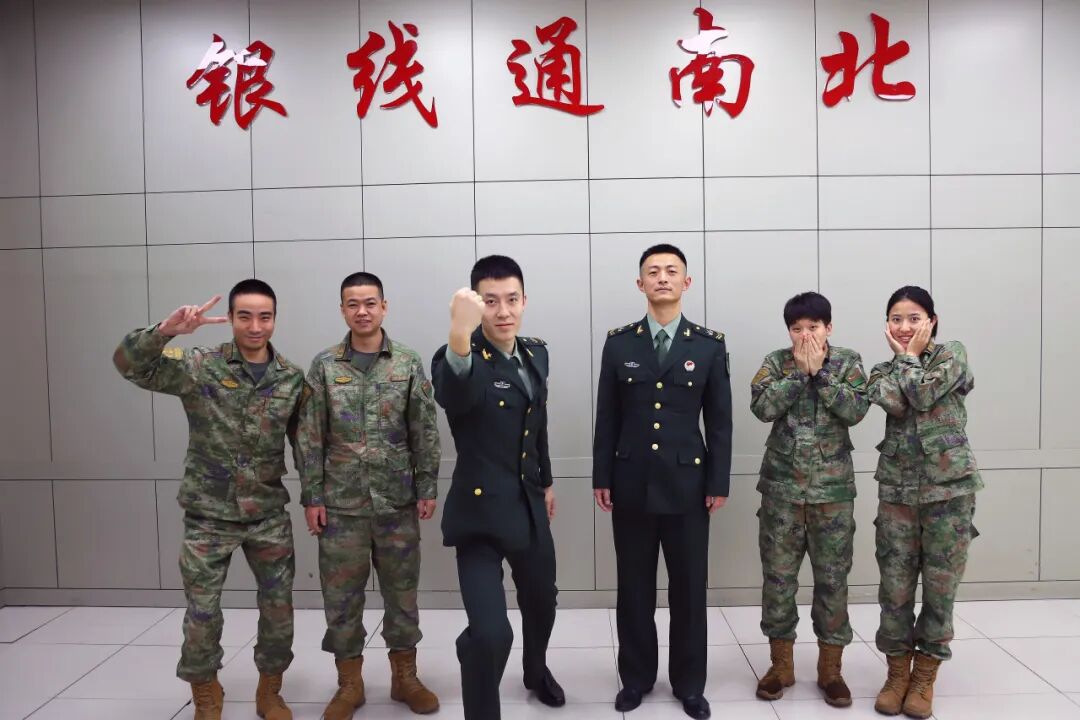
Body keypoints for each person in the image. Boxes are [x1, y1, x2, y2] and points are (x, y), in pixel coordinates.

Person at [113, 280, 304, 720]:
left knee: (278, 608)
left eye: (265, 317)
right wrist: (166, 332)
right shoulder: (199, 364)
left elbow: (306, 446)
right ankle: (205, 691)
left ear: (275, 319)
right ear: (231, 318)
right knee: (202, 612)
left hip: (266, 515)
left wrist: (315, 499)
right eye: (245, 316)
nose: (255, 326)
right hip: (208, 515)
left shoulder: (291, 378)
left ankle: (270, 689)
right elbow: (128, 364)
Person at [592, 244, 732, 720]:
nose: (663, 278)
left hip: (688, 486)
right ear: (641, 284)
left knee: (689, 591)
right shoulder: (620, 343)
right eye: (653, 272)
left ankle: (690, 685)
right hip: (630, 482)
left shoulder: (708, 345)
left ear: (686, 282)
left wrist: (718, 481)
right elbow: (607, 415)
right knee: (633, 588)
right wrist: (602, 475)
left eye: (672, 271)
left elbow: (720, 422)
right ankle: (636, 678)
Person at [297, 272, 441, 719]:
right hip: (341, 506)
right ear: (343, 310)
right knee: (342, 599)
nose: (362, 311)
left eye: (370, 303)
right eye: (353, 304)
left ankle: (405, 678)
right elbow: (309, 436)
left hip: (396, 502)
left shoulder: (407, 362)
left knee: (403, 594)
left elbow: (424, 428)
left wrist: (427, 486)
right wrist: (312, 497)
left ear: (384, 306)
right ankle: (349, 684)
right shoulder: (324, 366)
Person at [430, 255, 564, 720]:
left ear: (524, 300)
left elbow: (536, 424)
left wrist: (547, 482)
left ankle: (535, 671)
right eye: (490, 302)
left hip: (528, 506)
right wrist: (459, 331)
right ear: (475, 306)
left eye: (512, 299)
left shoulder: (535, 353)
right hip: (480, 516)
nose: (503, 311)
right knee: (490, 635)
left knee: (542, 602)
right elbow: (455, 394)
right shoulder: (459, 355)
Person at [868, 286, 982, 719]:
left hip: (948, 492)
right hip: (898, 493)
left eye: (914, 318)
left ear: (931, 321)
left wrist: (909, 361)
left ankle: (924, 678)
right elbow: (899, 403)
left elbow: (920, 396)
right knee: (894, 590)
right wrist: (907, 364)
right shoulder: (879, 371)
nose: (904, 327)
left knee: (940, 590)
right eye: (896, 319)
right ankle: (897, 674)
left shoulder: (953, 354)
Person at [749, 291, 869, 706]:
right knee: (778, 580)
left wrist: (821, 375)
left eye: (813, 327)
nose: (805, 335)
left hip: (832, 494)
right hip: (781, 492)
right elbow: (761, 407)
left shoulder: (848, 362)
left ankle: (830, 670)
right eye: (797, 328)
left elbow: (856, 410)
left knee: (833, 580)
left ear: (829, 328)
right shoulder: (776, 362)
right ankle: (780, 666)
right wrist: (800, 374)